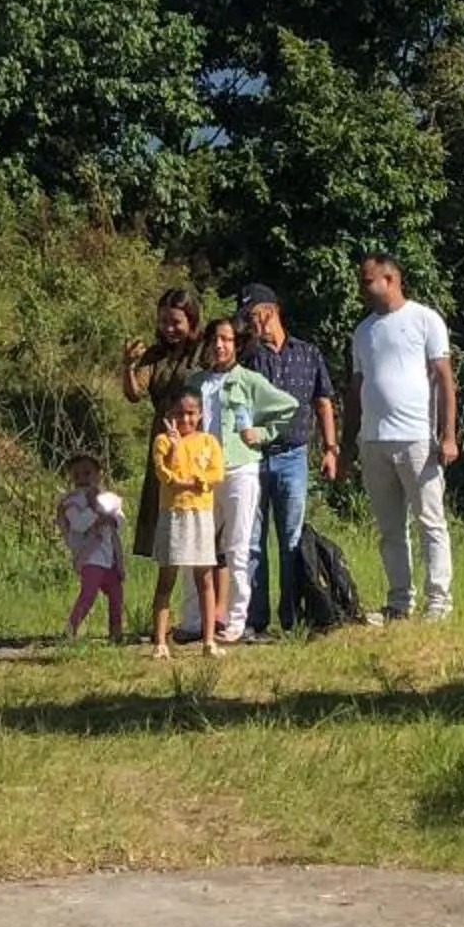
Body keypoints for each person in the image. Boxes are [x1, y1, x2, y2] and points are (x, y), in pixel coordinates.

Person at [348, 251, 459, 621]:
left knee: (430, 520)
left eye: (368, 281)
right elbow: (356, 387)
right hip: (374, 440)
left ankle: (439, 602)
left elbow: (444, 379)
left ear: (390, 280)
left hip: (416, 438)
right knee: (390, 528)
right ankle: (399, 602)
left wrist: (448, 435)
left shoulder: (424, 320)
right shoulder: (363, 331)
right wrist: (350, 444)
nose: (362, 288)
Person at [232, 283, 338, 636]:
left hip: (293, 456)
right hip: (253, 457)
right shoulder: (247, 357)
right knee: (252, 540)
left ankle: (292, 617)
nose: (250, 324)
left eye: (252, 316)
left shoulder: (307, 353)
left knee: (291, 539)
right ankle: (254, 620)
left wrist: (330, 448)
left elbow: (323, 401)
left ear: (269, 310)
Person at [192, 317, 300, 644]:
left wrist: (263, 433)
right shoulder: (196, 382)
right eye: (214, 340)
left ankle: (237, 621)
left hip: (240, 469)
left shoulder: (249, 381)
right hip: (202, 473)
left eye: (226, 339)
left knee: (238, 546)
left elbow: (289, 406)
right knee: (197, 547)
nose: (220, 346)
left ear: (237, 345)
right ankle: (195, 619)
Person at [120, 289, 202, 600]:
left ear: (191, 320)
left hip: (195, 440)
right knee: (166, 517)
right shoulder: (155, 355)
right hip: (164, 441)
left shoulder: (201, 351)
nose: (169, 328)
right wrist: (128, 365)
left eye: (176, 322)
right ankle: (165, 603)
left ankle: (202, 606)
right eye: (164, 321)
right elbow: (133, 393)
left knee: (197, 513)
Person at [146, 389, 225, 661]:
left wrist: (196, 481)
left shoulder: (209, 442)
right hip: (174, 514)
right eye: (179, 414)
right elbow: (165, 473)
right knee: (166, 577)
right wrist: (176, 446)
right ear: (170, 416)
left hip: (201, 514)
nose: (185, 419)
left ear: (200, 414)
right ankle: (159, 641)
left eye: (191, 413)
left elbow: (216, 473)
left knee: (204, 577)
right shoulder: (162, 441)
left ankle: (209, 640)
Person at [58, 453, 128, 642]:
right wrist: (95, 512)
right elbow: (79, 524)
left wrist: (110, 517)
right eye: (77, 475)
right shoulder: (72, 502)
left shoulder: (109, 498)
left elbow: (119, 520)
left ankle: (116, 632)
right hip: (90, 556)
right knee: (88, 595)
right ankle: (71, 630)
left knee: (116, 595)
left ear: (98, 474)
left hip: (110, 557)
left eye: (87, 473)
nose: (82, 479)